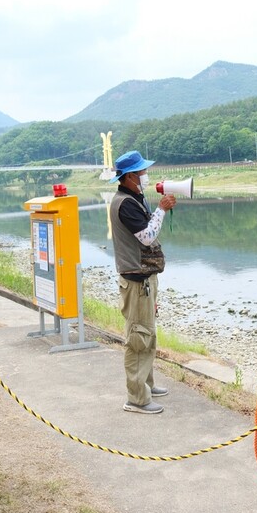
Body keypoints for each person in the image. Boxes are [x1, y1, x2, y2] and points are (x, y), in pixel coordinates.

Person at [109, 150, 177, 414]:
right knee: (138, 337)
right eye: (142, 172)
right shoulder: (124, 204)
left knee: (148, 332)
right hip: (136, 282)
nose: (146, 176)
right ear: (129, 177)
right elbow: (147, 237)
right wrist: (161, 209)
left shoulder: (134, 198)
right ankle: (136, 398)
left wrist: (157, 210)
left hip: (145, 281)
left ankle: (147, 383)